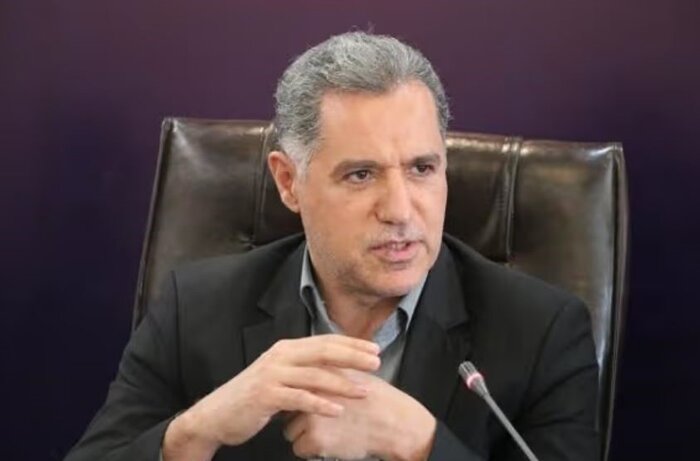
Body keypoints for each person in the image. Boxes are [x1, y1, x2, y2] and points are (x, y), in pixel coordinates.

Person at [65, 32, 599, 461]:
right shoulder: (195, 308)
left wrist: (423, 446)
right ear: (288, 182)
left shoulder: (542, 332)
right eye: (361, 174)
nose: (400, 209)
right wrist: (195, 432)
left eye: (421, 168)